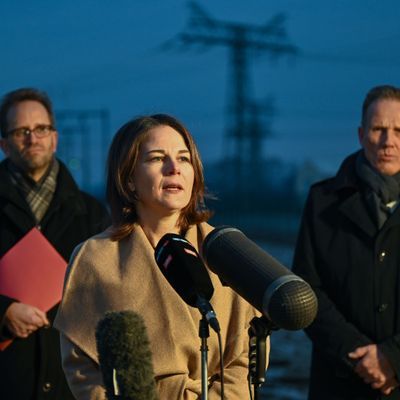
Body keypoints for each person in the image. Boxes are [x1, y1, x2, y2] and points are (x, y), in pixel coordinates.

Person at [54, 113, 264, 399]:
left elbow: (244, 360)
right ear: (129, 178)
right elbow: (82, 367)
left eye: (184, 158)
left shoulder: (226, 250)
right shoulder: (95, 257)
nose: (174, 168)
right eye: (156, 158)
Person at [0, 87, 110, 400]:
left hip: (73, 384)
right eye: (21, 131)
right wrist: (3, 312)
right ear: (4, 145)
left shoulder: (91, 213)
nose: (32, 138)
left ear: (54, 137)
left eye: (41, 129)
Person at [292, 85, 400, 400]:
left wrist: (392, 357)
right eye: (378, 129)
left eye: (398, 130)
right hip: (339, 382)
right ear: (360, 133)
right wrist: (357, 354)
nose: (388, 141)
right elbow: (307, 289)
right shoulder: (323, 202)